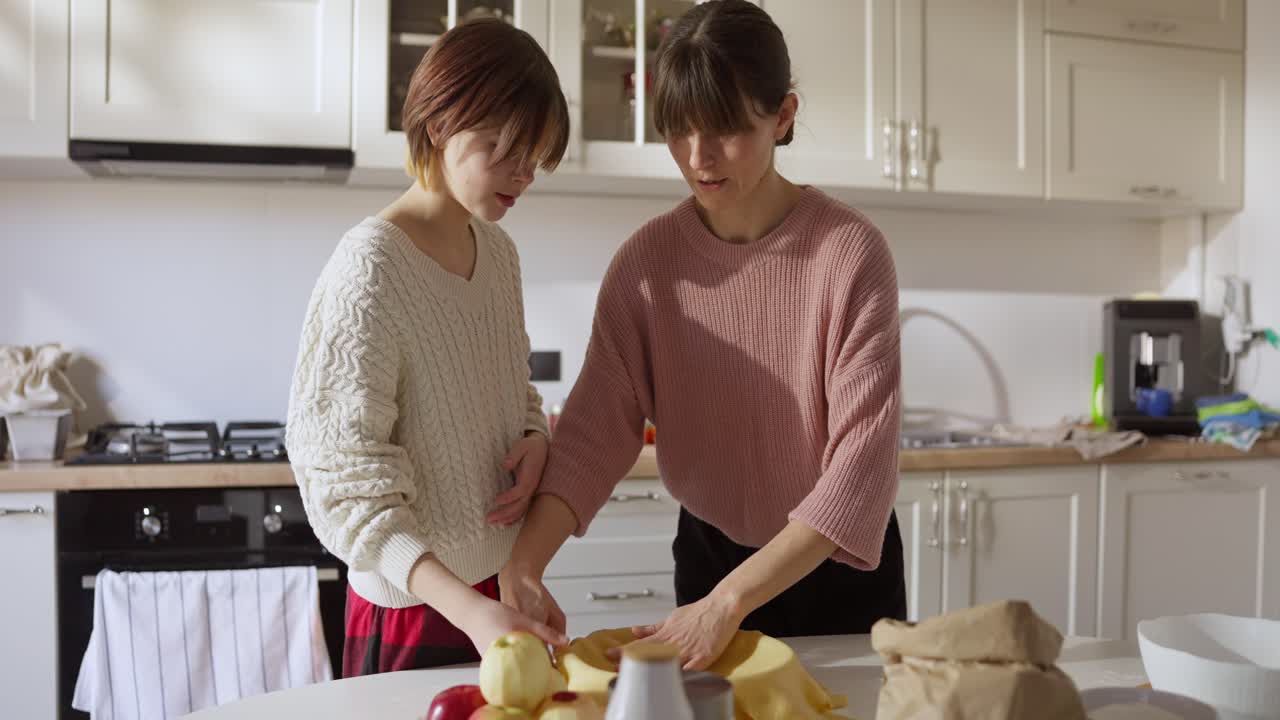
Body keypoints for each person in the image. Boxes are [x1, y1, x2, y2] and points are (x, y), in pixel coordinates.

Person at [499, 0, 907, 670]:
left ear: (783, 116)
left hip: (835, 563)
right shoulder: (646, 266)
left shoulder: (850, 253)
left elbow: (860, 472)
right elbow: (596, 430)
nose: (698, 157)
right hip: (710, 551)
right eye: (678, 132)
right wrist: (525, 564)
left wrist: (729, 603)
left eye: (724, 130)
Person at [285, 18, 570, 676]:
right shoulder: (371, 267)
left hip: (493, 594)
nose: (523, 173)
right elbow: (343, 485)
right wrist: (470, 614)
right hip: (413, 610)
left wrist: (535, 438)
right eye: (505, 149)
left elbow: (510, 387)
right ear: (440, 125)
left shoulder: (499, 254)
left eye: (536, 155)